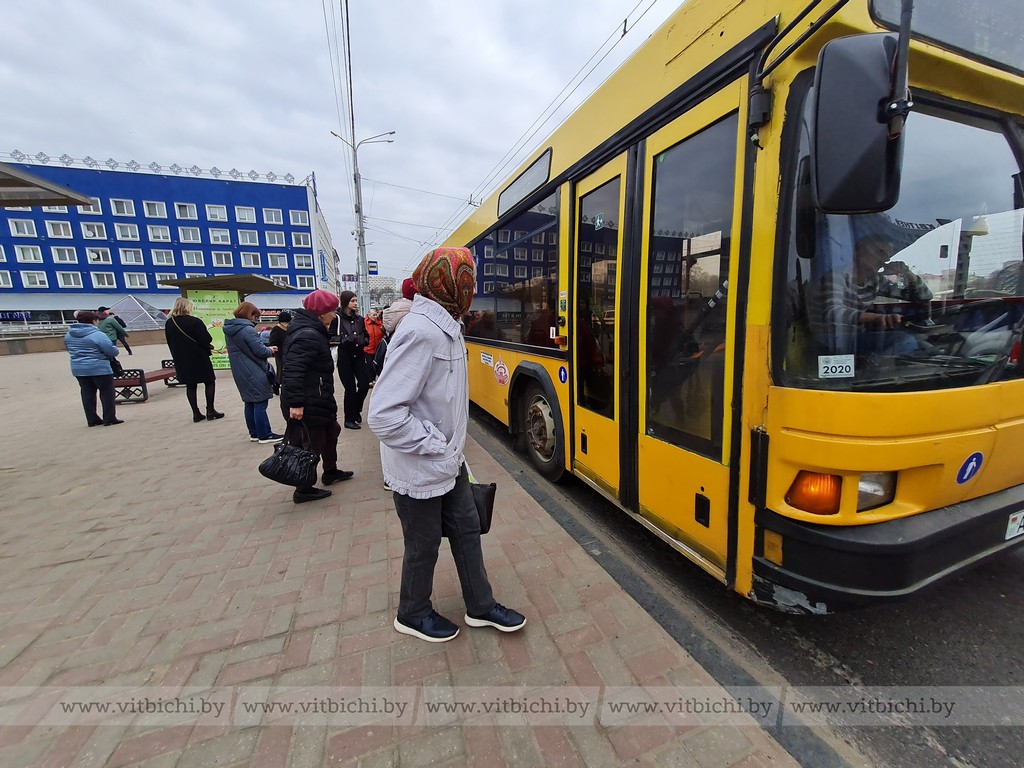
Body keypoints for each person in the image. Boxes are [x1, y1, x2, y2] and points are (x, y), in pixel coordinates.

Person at [368, 247, 526, 643]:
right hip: (422, 464)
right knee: (422, 545)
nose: (473, 286)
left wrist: (450, 448)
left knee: (468, 529)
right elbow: (384, 414)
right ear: (450, 284)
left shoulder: (447, 325)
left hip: (448, 461)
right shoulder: (421, 331)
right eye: (467, 278)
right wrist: (435, 443)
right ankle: (413, 612)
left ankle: (481, 606)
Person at [280, 290, 355, 503]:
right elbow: (293, 371)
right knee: (311, 443)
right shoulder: (307, 334)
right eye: (331, 311)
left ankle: (330, 471)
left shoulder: (313, 330)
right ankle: (303, 488)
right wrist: (296, 403)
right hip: (307, 399)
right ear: (320, 314)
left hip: (318, 396)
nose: (334, 315)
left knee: (331, 432)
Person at [814, 234, 933, 356]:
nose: (884, 261)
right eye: (880, 253)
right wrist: (877, 318)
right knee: (905, 341)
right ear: (858, 253)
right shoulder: (837, 277)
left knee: (923, 343)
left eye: (887, 256)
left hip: (856, 336)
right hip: (830, 339)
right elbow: (833, 313)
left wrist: (907, 273)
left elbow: (924, 297)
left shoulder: (875, 281)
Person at [223, 301, 282, 444]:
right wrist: (271, 350)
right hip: (254, 369)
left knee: (250, 402)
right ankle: (265, 434)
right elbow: (260, 350)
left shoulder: (230, 329)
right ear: (250, 315)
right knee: (260, 402)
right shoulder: (247, 330)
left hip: (240, 369)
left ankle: (254, 433)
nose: (257, 320)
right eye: (256, 316)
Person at [165, 297, 224, 423]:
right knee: (209, 381)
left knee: (190, 385)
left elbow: (169, 341)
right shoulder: (195, 321)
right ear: (188, 307)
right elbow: (206, 339)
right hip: (199, 356)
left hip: (181, 358)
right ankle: (210, 410)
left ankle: (196, 413)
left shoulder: (170, 323)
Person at [64, 310, 123, 426]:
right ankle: (109, 418)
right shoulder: (97, 334)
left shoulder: (69, 335)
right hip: (99, 367)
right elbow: (112, 351)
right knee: (106, 392)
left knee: (87, 393)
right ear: (93, 321)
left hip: (79, 369)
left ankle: (92, 419)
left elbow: (68, 349)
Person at [330, 290, 371, 430]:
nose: (355, 303)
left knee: (365, 384)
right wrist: (345, 340)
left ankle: (356, 409)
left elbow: (366, 334)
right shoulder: (336, 318)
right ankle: (349, 419)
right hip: (344, 356)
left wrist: (364, 340)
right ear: (345, 301)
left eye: (355, 300)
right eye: (352, 300)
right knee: (350, 388)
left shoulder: (359, 319)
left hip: (359, 354)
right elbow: (330, 336)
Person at [268, 311, 292, 383]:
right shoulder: (276, 329)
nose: (286, 324)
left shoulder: (290, 328)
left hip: (290, 353)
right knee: (281, 371)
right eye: (285, 322)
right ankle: (277, 384)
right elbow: (272, 342)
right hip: (280, 354)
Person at [363, 309, 385, 383]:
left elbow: (383, 334)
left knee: (378, 364)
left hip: (378, 349)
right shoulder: (364, 324)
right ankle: (370, 380)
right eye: (374, 315)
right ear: (369, 316)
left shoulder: (380, 324)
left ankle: (376, 379)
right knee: (369, 365)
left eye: (376, 315)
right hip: (367, 349)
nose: (375, 317)